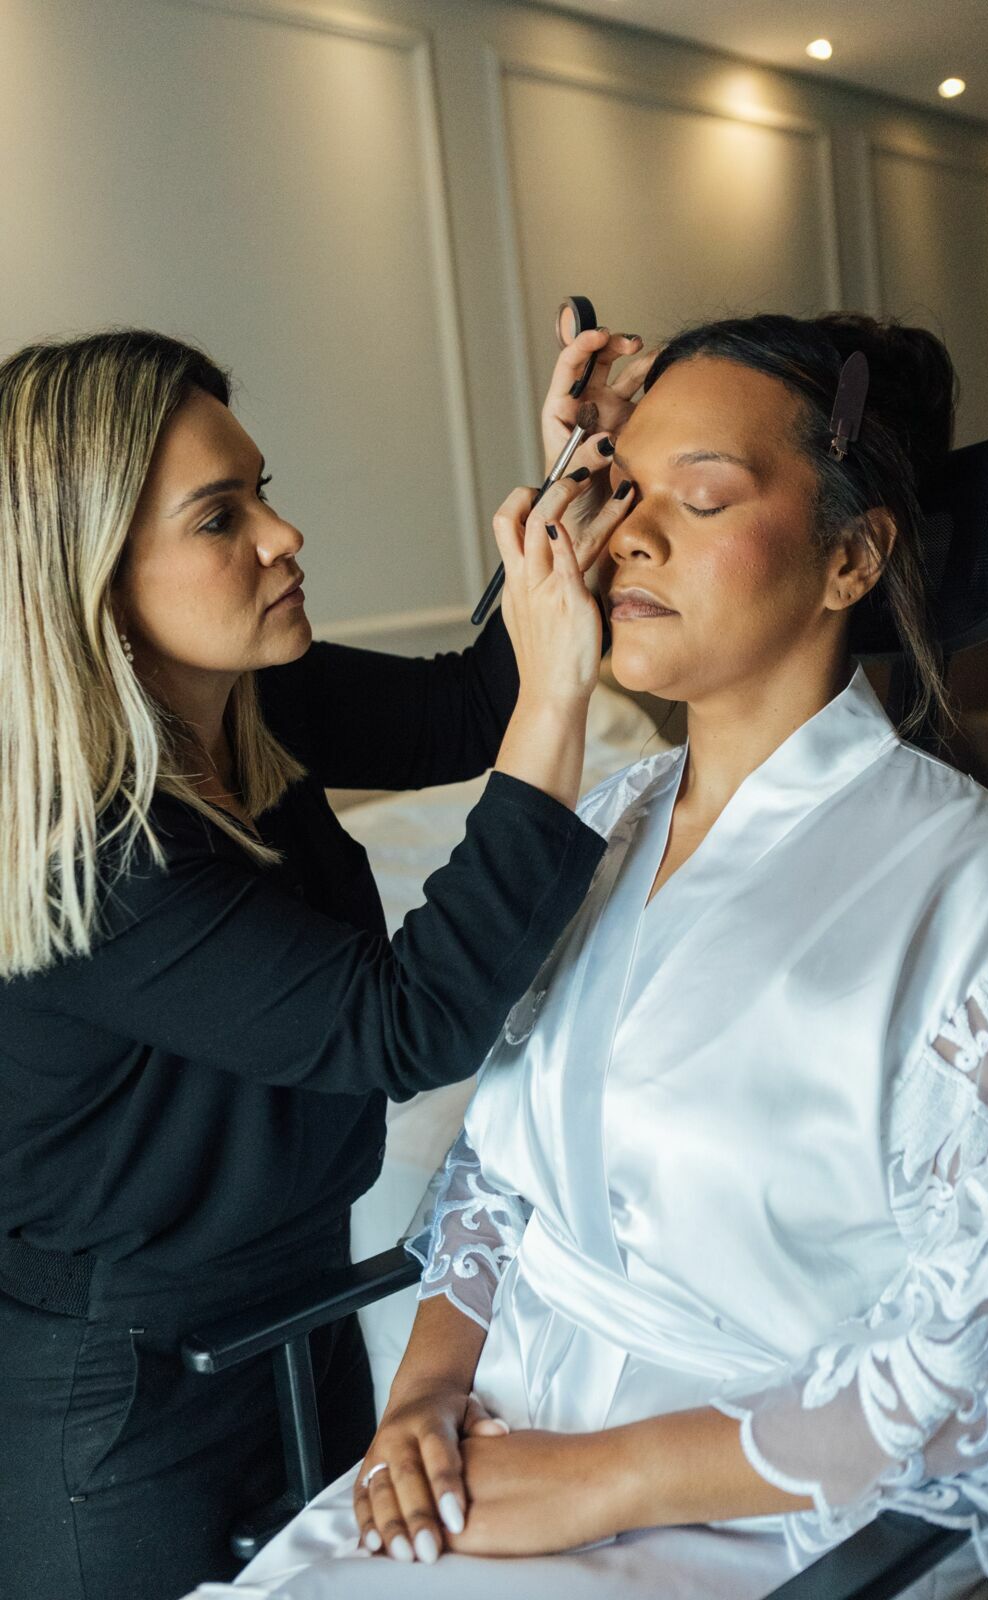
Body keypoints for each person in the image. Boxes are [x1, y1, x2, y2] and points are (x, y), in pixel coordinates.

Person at [195, 314, 988, 1600]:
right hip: (483, 1466)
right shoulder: (596, 827)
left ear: (849, 558)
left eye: (701, 497)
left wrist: (598, 1479)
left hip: (751, 1517)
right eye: (618, 493)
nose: (631, 537)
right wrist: (422, 1400)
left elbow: (969, 1345)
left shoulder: (975, 885)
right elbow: (495, 1174)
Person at [0, 323, 659, 1600]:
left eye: (264, 490)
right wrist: (560, 710)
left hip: (297, 1307)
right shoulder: (89, 857)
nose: (281, 534)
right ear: (90, 576)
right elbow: (405, 1026)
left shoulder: (249, 695)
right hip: (119, 1401)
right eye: (219, 516)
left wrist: (577, 472)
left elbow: (468, 705)